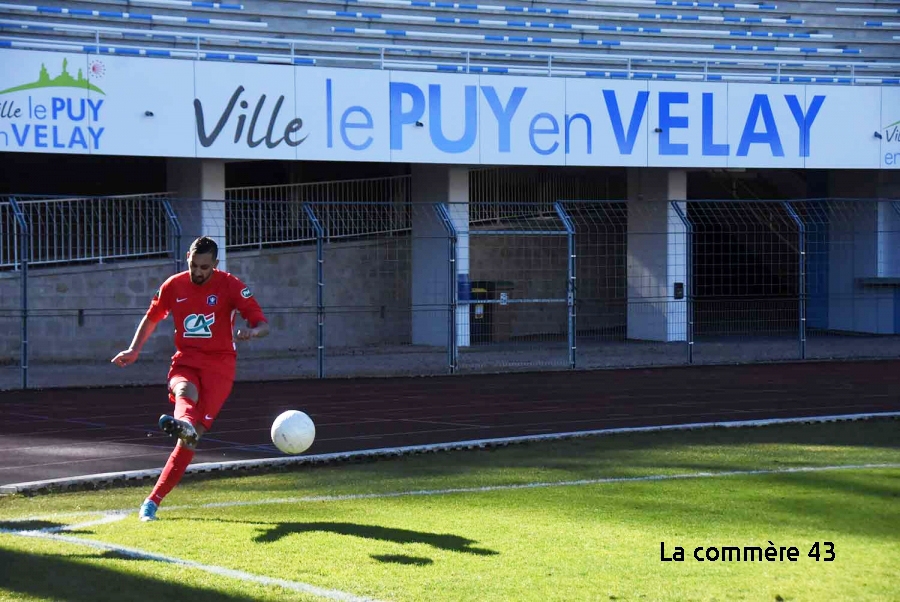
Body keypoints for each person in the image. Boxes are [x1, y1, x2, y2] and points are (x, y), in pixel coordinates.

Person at [111, 236, 270, 522]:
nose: (198, 271)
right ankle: (182, 422)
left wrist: (253, 333)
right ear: (187, 258)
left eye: (204, 267)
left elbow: (261, 323)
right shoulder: (173, 285)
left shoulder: (231, 285)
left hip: (220, 368)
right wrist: (134, 350)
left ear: (215, 265)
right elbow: (152, 317)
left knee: (190, 442)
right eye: (194, 265)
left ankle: (153, 499)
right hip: (186, 359)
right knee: (183, 387)